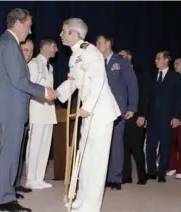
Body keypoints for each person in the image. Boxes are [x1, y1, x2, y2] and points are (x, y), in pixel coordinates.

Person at [0, 8, 55, 212]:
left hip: (9, 106)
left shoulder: (7, 43)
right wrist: (44, 91)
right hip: (11, 107)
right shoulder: (9, 44)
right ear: (17, 23)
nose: (30, 31)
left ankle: (2, 192)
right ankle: (4, 198)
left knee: (7, 152)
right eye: (28, 26)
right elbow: (19, 81)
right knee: (9, 152)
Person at [55, 17, 121, 212]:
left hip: (99, 112)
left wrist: (88, 107)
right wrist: (57, 93)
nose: (61, 35)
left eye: (64, 31)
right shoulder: (74, 55)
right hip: (88, 112)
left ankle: (91, 206)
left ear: (74, 34)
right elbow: (74, 81)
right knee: (84, 157)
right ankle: (81, 197)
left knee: (97, 161)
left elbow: (99, 80)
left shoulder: (90, 52)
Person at [96, 35, 138, 190]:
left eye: (99, 42)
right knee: (102, 144)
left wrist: (132, 107)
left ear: (108, 44)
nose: (97, 45)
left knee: (116, 144)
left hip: (117, 110)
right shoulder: (97, 62)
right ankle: (104, 176)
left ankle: (116, 178)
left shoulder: (121, 61)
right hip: (100, 109)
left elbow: (132, 84)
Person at [25, 37, 58, 189]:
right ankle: (31, 178)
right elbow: (30, 87)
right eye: (53, 47)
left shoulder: (49, 68)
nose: (56, 50)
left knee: (45, 145)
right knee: (35, 145)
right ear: (45, 47)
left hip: (48, 111)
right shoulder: (33, 64)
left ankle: (39, 177)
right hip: (37, 110)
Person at [145, 51, 181, 183]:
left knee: (165, 147)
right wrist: (144, 116)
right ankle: (151, 171)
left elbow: (179, 99)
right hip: (152, 118)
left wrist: (176, 117)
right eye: (156, 58)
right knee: (150, 146)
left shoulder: (175, 77)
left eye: (158, 58)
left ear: (166, 60)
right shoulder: (152, 75)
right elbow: (148, 98)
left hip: (167, 118)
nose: (155, 61)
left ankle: (161, 172)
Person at [118, 50, 148, 185]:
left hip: (136, 116)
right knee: (123, 148)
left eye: (123, 56)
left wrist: (142, 115)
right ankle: (126, 176)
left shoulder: (140, 75)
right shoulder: (117, 74)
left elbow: (144, 97)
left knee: (137, 148)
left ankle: (142, 176)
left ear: (129, 58)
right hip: (121, 117)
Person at [13, 38, 35, 196]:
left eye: (31, 51)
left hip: (23, 114)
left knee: (19, 152)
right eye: (25, 50)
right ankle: (8, 187)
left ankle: (15, 183)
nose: (28, 54)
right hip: (12, 114)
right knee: (11, 153)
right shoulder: (14, 66)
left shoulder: (25, 68)